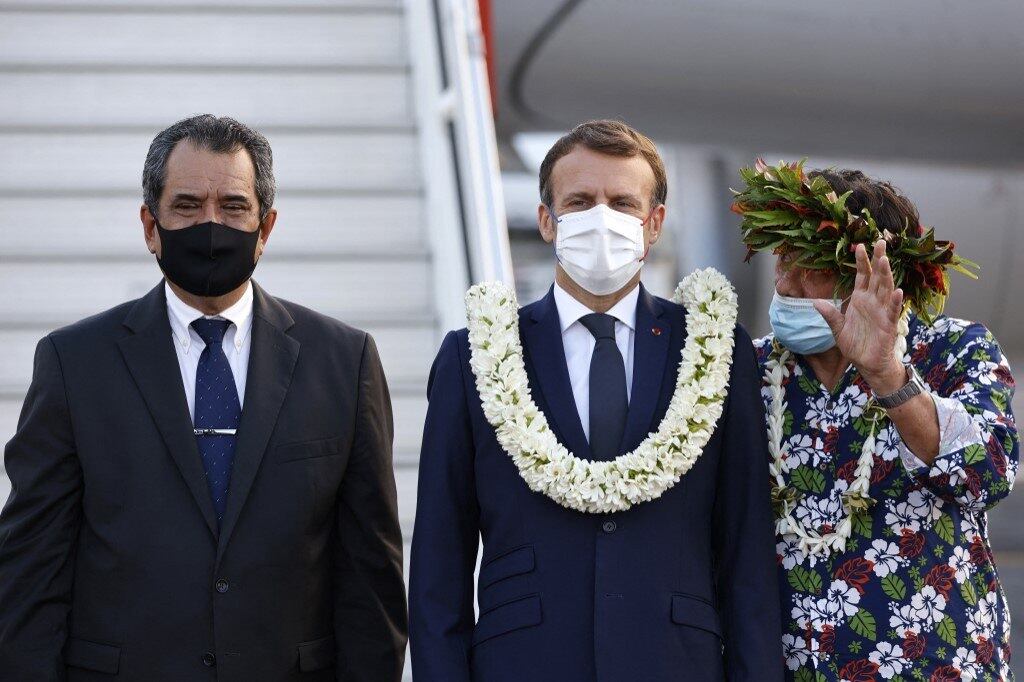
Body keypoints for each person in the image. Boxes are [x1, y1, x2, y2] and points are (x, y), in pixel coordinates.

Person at [0, 114, 408, 680]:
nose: (210, 224)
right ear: (151, 225)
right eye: (187, 206)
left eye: (234, 207)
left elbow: (372, 576)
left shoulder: (344, 361)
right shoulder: (74, 363)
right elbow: (31, 571)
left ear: (265, 229)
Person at [409, 119, 782, 681]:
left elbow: (746, 552)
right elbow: (440, 563)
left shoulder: (713, 349)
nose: (601, 218)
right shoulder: (475, 356)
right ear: (546, 220)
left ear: (653, 223)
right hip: (525, 665)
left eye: (622, 202)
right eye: (579, 202)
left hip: (674, 664)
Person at [734, 161, 1018, 680]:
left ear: (875, 273)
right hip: (791, 666)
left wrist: (888, 375)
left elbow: (988, 473)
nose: (787, 283)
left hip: (932, 659)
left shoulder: (953, 349)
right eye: (782, 259)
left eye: (810, 265)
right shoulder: (748, 370)